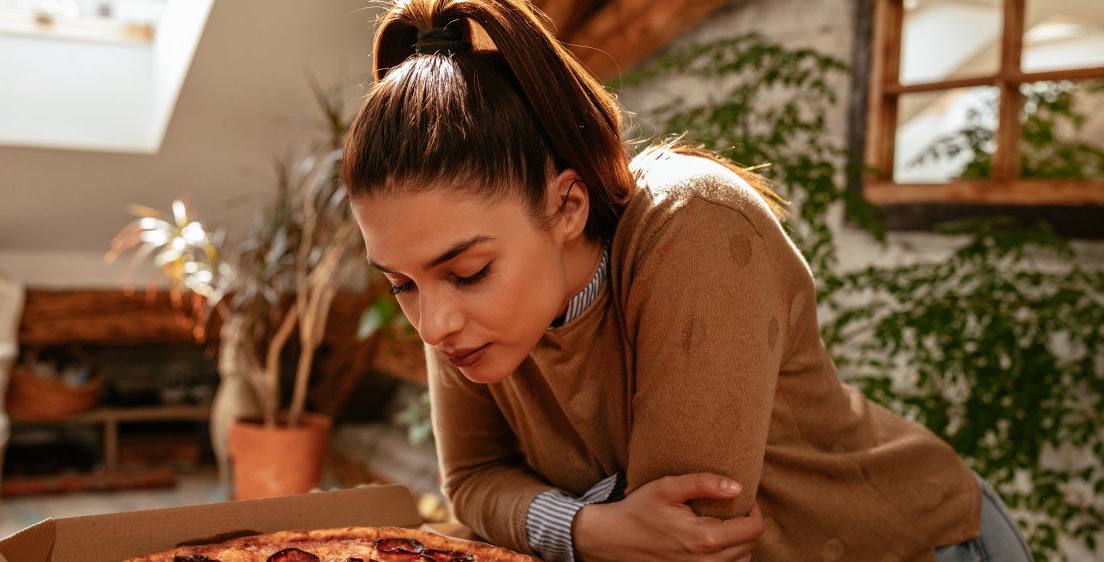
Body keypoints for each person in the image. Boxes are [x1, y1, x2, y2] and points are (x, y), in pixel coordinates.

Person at [341, 1, 1035, 561]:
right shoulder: (453, 294)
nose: (433, 324)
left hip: (918, 543)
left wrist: (548, 517)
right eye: (402, 284)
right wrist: (588, 531)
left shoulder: (693, 223)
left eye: (468, 273)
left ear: (567, 205)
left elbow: (690, 535)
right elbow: (470, 482)